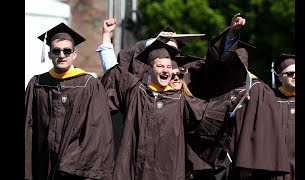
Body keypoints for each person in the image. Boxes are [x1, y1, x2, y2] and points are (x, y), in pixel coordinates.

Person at [99, 27, 243, 179]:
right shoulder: (136, 91)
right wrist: (106, 36)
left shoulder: (180, 100)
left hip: (166, 172)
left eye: (168, 67)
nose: (166, 71)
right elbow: (113, 71)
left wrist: (232, 103)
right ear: (150, 68)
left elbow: (208, 112)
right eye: (160, 66)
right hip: (134, 170)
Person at [189, 13, 291, 180]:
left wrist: (249, 164)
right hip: (209, 164)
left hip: (240, 165)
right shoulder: (212, 87)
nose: (231, 67)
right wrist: (231, 35)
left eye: (235, 63)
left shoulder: (257, 90)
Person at [25, 22, 114, 180]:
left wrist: (72, 164)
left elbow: (96, 131)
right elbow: (28, 127)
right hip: (42, 165)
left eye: (67, 51)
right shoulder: (37, 84)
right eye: (56, 51)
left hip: (74, 170)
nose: (61, 55)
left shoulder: (89, 85)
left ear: (74, 54)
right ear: (50, 54)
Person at [271, 54, 295, 180]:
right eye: (291, 73)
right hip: (277, 167)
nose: (295, 76)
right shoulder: (269, 100)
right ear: (280, 77)